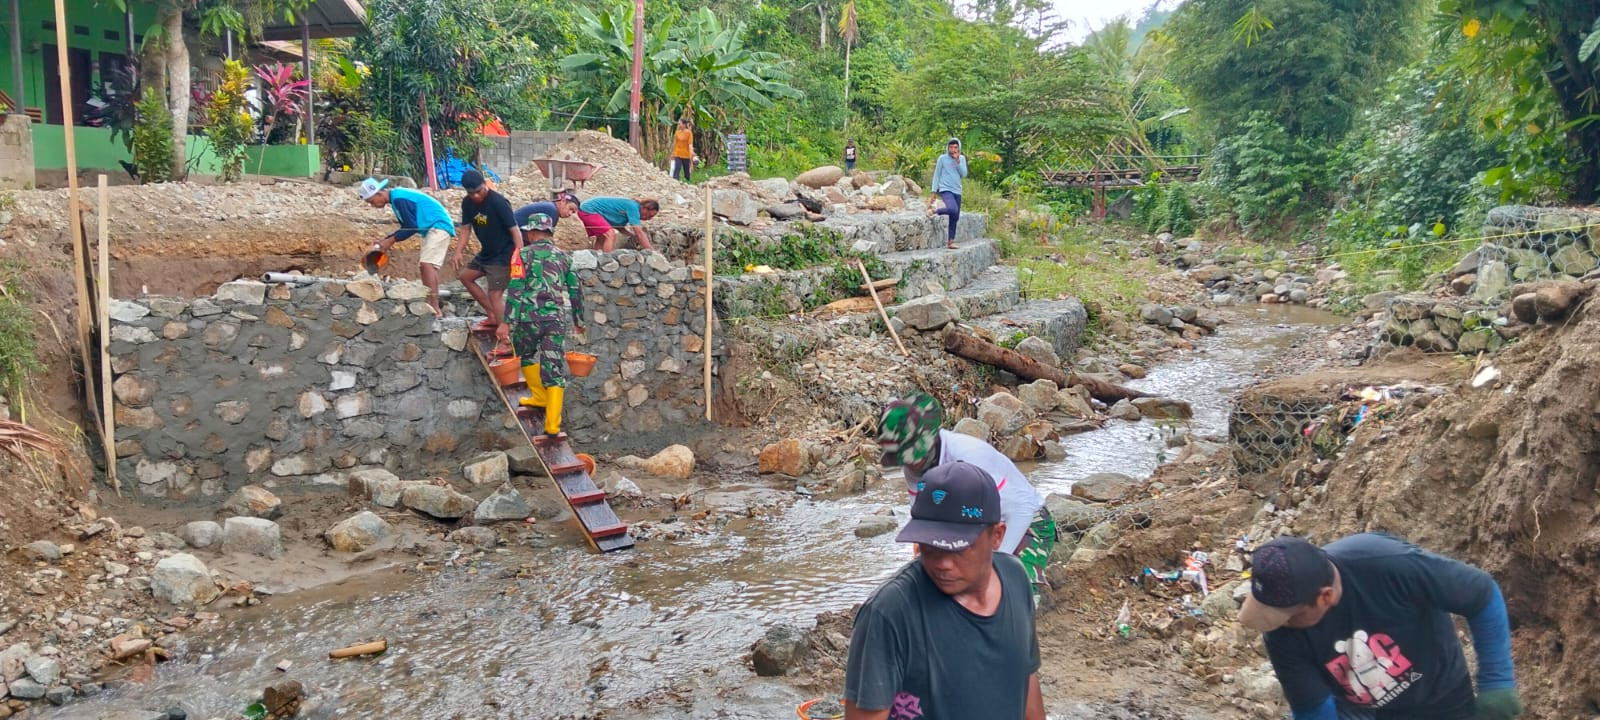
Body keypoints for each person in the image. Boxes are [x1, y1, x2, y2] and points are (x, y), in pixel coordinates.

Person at [1240, 533, 1521, 720]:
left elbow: (1481, 595)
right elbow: (1314, 709)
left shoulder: (1388, 566)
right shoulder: (1279, 630)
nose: (1281, 624)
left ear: (1326, 596)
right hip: (1362, 713)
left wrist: (1497, 683)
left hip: (1442, 697)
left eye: (1291, 615)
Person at [843, 461, 1045, 720]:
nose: (942, 563)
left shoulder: (1015, 579)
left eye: (958, 547)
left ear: (997, 536)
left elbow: (1025, 678)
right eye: (930, 546)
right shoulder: (889, 613)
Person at [877, 392, 1055, 601]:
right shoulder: (914, 469)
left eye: (914, 456)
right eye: (905, 459)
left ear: (930, 440)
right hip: (966, 529)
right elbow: (921, 521)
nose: (910, 465)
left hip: (1026, 522)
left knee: (1010, 591)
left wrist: (998, 563)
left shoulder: (970, 455)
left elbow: (1021, 509)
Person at [496, 213, 585, 439]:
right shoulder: (565, 257)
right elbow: (576, 291)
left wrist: (506, 322)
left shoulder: (522, 255)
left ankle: (538, 396)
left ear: (532, 232)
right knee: (554, 369)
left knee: (525, 354)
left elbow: (515, 289)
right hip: (555, 320)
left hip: (528, 319)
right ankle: (553, 425)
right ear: (550, 232)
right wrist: (579, 320)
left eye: (528, 232)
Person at [359, 177, 456, 317]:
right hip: (431, 227)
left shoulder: (399, 198)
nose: (372, 205)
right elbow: (407, 227)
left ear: (379, 193)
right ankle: (432, 302)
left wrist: (389, 241)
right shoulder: (396, 198)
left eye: (371, 201)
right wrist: (385, 240)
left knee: (427, 264)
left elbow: (411, 227)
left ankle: (434, 307)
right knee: (426, 266)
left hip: (438, 226)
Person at [452, 170, 518, 341]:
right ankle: (492, 314)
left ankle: (505, 334)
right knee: (465, 277)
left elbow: (515, 231)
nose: (475, 196)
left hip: (503, 254)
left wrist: (519, 256)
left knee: (495, 294)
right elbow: (465, 229)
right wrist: (458, 251)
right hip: (486, 253)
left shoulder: (498, 202)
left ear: (485, 185)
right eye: (471, 192)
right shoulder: (467, 203)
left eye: (479, 191)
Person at [925, 138, 967, 250]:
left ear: (959, 148)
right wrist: (934, 192)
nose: (953, 149)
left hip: (957, 190)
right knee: (952, 209)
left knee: (955, 216)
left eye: (955, 147)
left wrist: (957, 161)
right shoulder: (942, 159)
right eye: (951, 147)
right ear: (948, 147)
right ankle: (934, 211)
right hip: (945, 189)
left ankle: (951, 241)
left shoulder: (961, 159)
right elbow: (937, 175)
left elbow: (964, 174)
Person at [578, 196, 660, 252]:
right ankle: (606, 261)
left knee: (602, 238)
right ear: (644, 208)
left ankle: (596, 258)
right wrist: (651, 250)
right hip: (589, 210)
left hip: (588, 209)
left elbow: (619, 227)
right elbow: (639, 233)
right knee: (611, 234)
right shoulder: (633, 207)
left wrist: (631, 235)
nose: (649, 218)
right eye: (649, 215)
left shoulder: (631, 210)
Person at [513, 190, 580, 239]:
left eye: (573, 212)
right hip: (513, 234)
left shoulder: (550, 207)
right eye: (570, 208)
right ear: (563, 201)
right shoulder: (552, 210)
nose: (570, 213)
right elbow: (546, 238)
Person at [671, 116, 695, 183]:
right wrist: (673, 153)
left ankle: (688, 182)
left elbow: (690, 144)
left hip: (686, 154)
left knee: (686, 170)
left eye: (679, 124)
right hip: (678, 153)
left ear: (684, 125)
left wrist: (692, 154)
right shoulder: (677, 133)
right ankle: (675, 182)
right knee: (676, 169)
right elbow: (675, 143)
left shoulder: (689, 133)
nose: (678, 125)